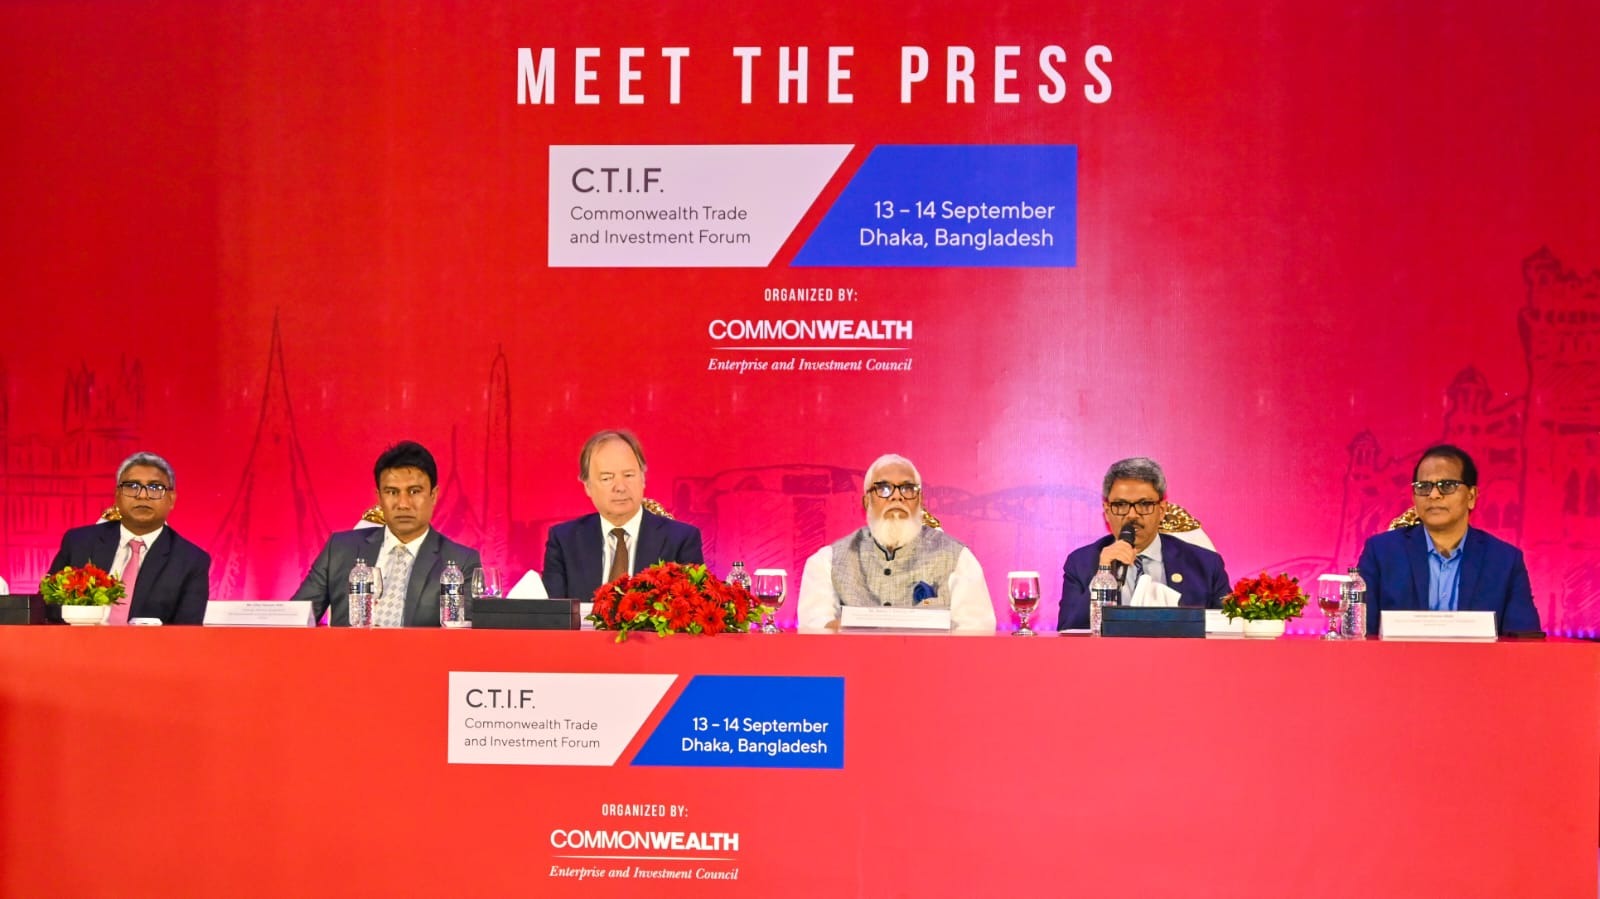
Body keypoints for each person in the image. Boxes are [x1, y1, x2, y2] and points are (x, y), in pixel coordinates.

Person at [797, 454, 996, 632]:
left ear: (920, 500)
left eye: (908, 489)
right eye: (883, 489)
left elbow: (976, 632)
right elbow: (814, 630)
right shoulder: (828, 561)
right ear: (867, 502)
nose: (896, 496)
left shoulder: (958, 559)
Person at [291, 441, 480, 626]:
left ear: (433, 495)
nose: (403, 504)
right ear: (379, 497)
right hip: (349, 648)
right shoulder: (340, 550)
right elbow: (294, 620)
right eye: (392, 492)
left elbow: (468, 637)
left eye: (414, 491)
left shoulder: (461, 562)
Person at [1356, 444, 1539, 635]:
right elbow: (1358, 635)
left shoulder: (1504, 561)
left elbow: (1524, 641)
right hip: (1399, 656)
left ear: (1471, 496)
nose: (1434, 495)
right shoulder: (1381, 553)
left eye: (1447, 485)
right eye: (1423, 487)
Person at [1059, 457, 1230, 630]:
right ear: (1107, 511)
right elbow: (1067, 630)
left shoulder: (1206, 564)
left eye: (1144, 504)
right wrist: (1103, 575)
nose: (1132, 515)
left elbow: (1229, 630)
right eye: (1121, 504)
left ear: (1161, 510)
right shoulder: (1081, 563)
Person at [47, 452, 211, 624]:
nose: (142, 495)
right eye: (132, 486)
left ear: (171, 499)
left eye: (155, 487)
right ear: (117, 495)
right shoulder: (79, 543)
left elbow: (187, 631)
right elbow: (48, 608)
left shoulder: (190, 561)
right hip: (78, 640)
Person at [542, 430, 703, 600]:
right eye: (607, 478)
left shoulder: (681, 540)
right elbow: (553, 612)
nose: (620, 487)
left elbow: (692, 607)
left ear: (643, 479)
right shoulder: (564, 540)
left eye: (628, 475)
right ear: (587, 486)